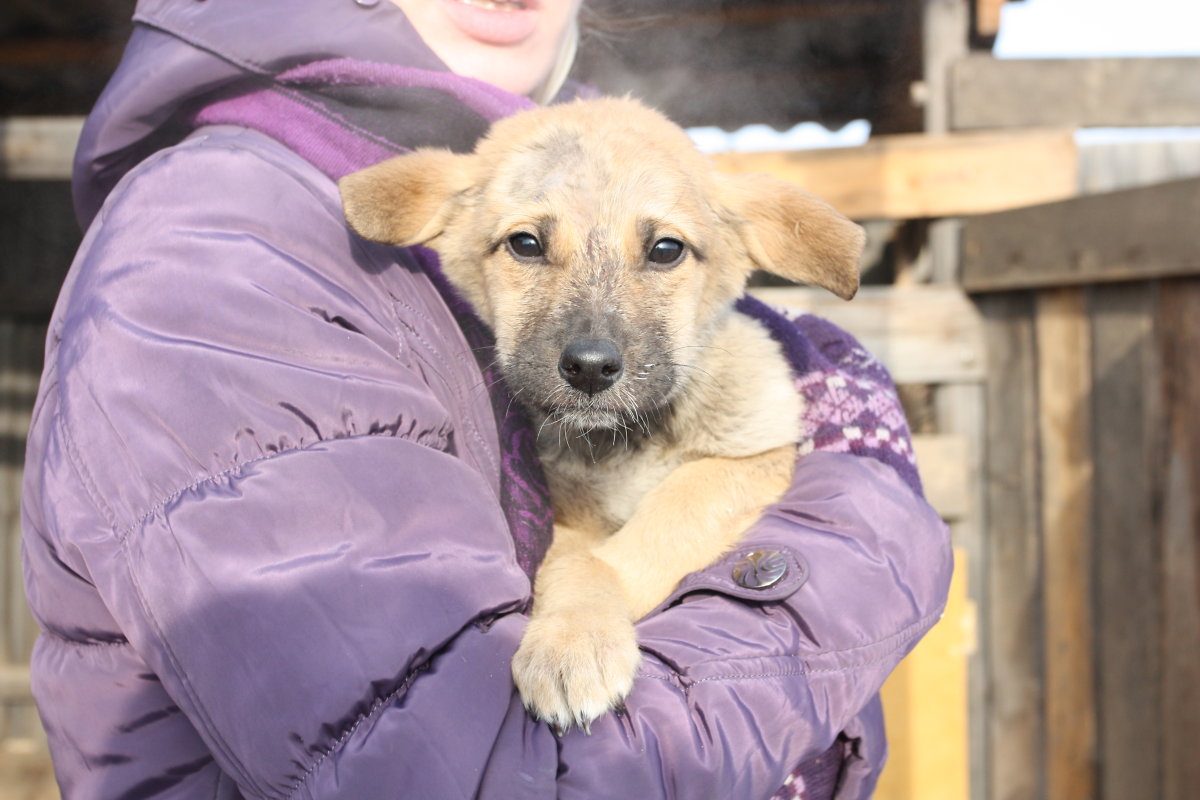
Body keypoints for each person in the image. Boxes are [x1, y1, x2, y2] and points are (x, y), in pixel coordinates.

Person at [21, 1, 952, 798]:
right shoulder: (221, 248)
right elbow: (484, 767)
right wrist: (863, 527)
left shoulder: (559, 162)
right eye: (527, 247)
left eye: (661, 251)